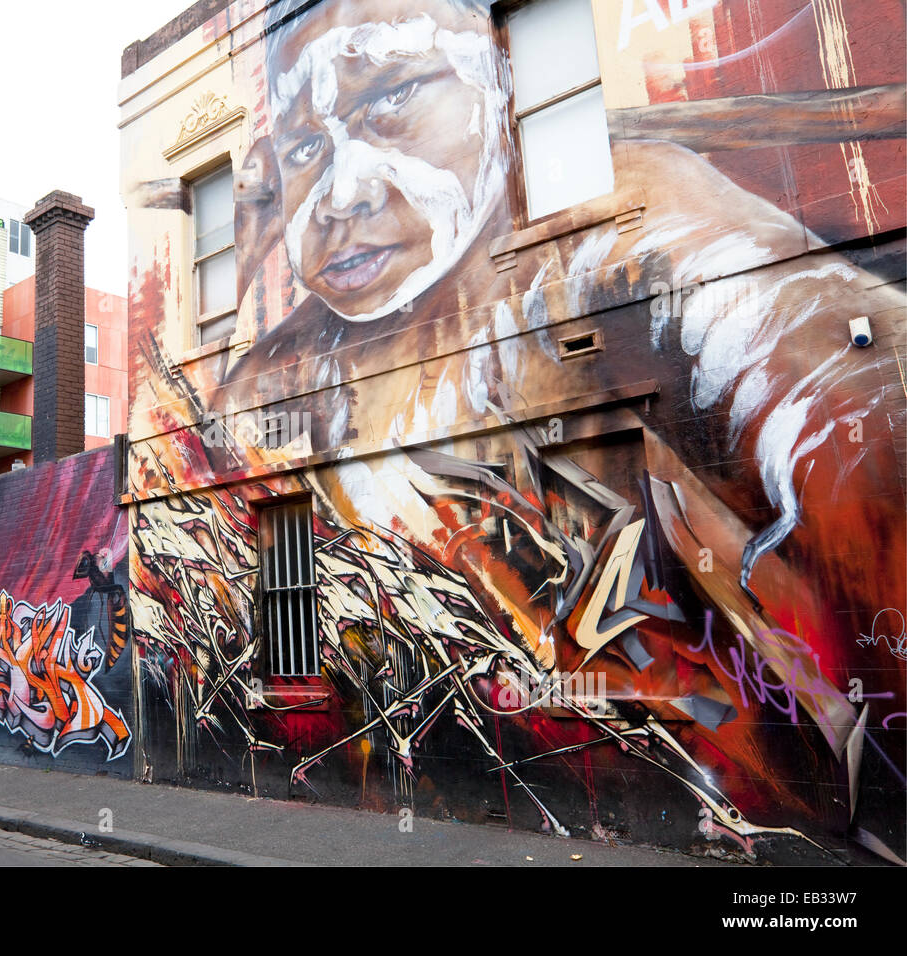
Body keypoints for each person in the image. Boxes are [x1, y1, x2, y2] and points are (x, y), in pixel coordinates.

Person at [144, 0, 905, 858]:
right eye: (307, 149)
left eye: (390, 97)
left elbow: (818, 368)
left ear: (503, 87)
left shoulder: (633, 231)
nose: (342, 193)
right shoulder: (269, 380)